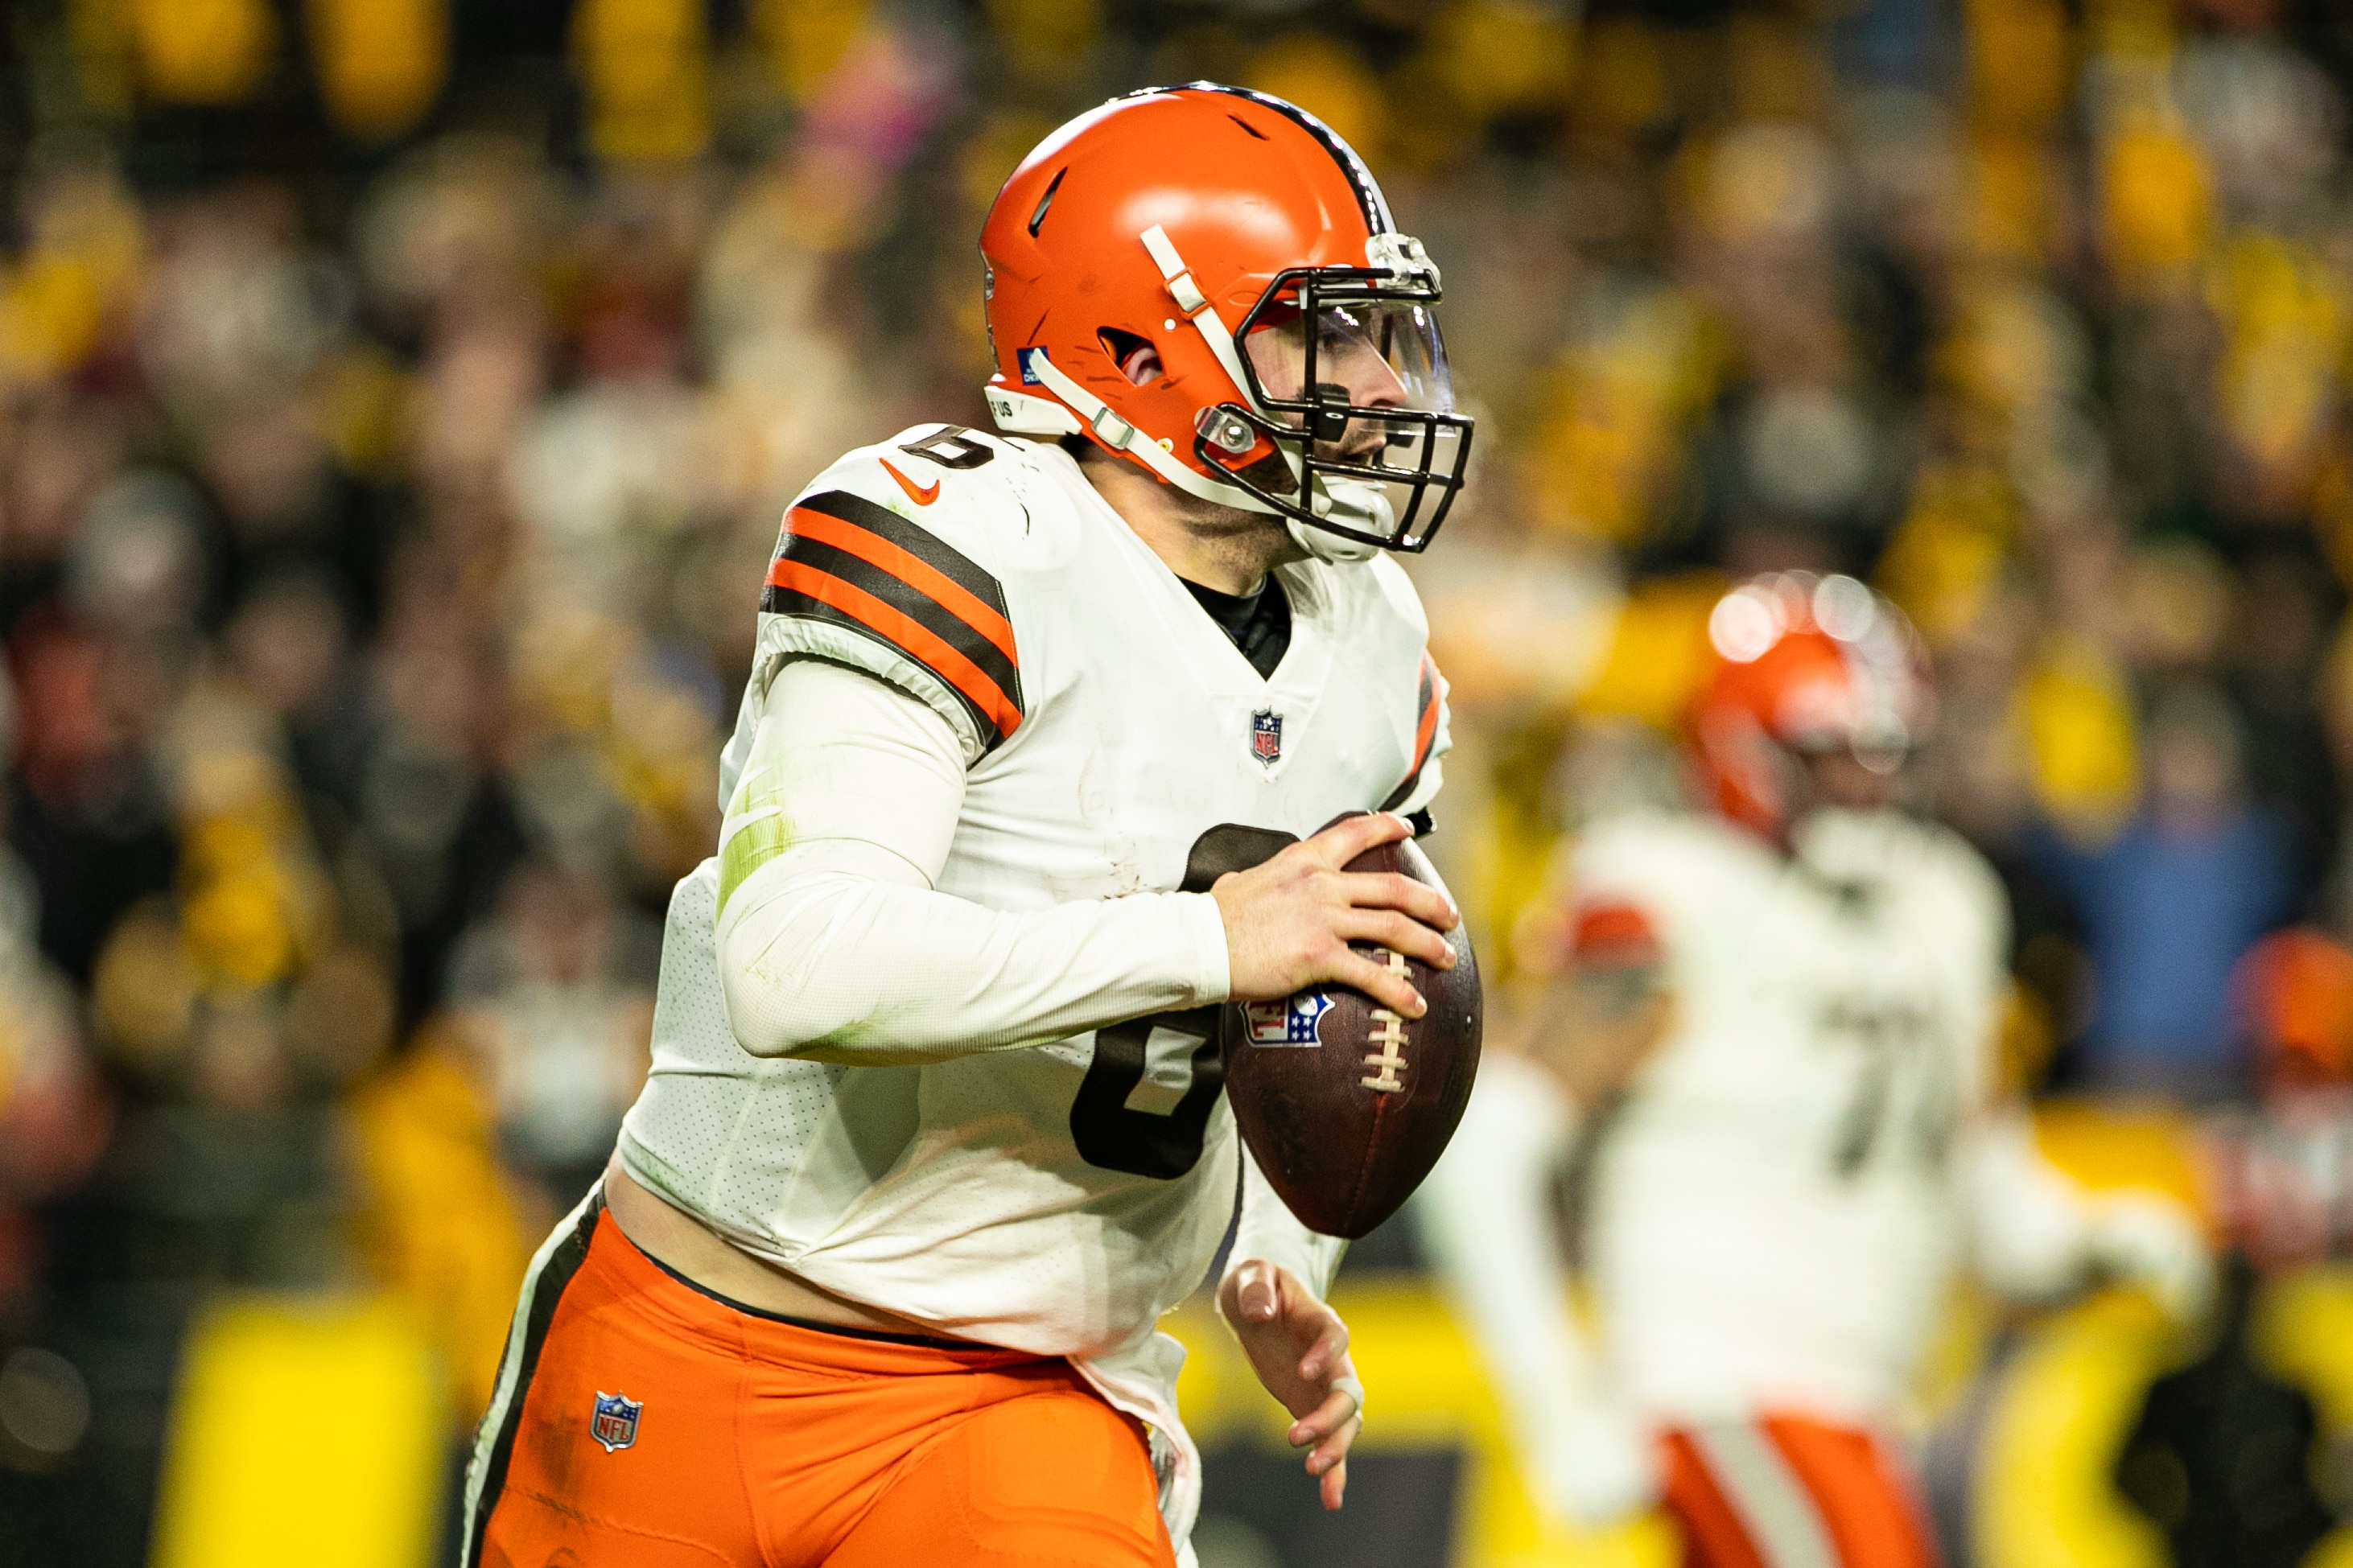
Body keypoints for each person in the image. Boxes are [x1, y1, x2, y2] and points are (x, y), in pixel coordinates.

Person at [461, 83, 1475, 1568]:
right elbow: (798, 961)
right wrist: (1208, 937)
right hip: (703, 1334)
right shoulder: (957, 535)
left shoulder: (1371, 639)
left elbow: (1326, 1016)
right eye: (1322, 333)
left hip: (1030, 1396)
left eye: (1383, 334)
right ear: (1135, 345)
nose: (1381, 386)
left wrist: (1272, 1247)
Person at [1417, 573, 2212, 1567]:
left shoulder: (1941, 901)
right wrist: (1553, 1398)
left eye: (1883, 756)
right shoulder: (1674, 891)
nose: (1864, 786)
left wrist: (2085, 1240)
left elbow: (1983, 1183)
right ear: (1739, 749)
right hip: (1718, 1382)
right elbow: (1483, 1147)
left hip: (1870, 1403)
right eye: (1830, 756)